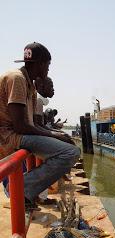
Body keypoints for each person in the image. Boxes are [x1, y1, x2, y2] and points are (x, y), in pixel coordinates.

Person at [0, 42, 80, 206]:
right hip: (8, 136)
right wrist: (54, 135)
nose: (48, 70)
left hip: (18, 134)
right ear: (40, 64)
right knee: (70, 152)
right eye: (48, 65)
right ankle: (20, 188)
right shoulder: (17, 79)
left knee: (66, 145)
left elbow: (35, 123)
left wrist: (58, 135)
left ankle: (25, 189)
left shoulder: (30, 84)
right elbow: (20, 126)